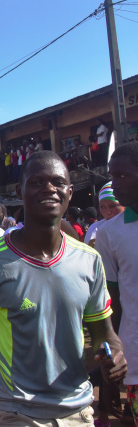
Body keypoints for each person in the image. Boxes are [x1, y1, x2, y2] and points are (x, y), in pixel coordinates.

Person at [0, 151, 127, 426]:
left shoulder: (89, 260)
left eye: (57, 182)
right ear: (20, 190)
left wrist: (114, 354)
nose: (49, 189)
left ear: (70, 192)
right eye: (37, 182)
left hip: (78, 410)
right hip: (17, 412)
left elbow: (103, 333)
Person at [95, 141, 138, 425]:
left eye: (122, 175)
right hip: (135, 349)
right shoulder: (109, 233)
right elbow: (113, 297)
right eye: (112, 175)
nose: (115, 183)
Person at [86, 182, 124, 247]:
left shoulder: (133, 227)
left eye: (112, 206)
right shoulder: (95, 230)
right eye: (102, 207)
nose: (108, 212)